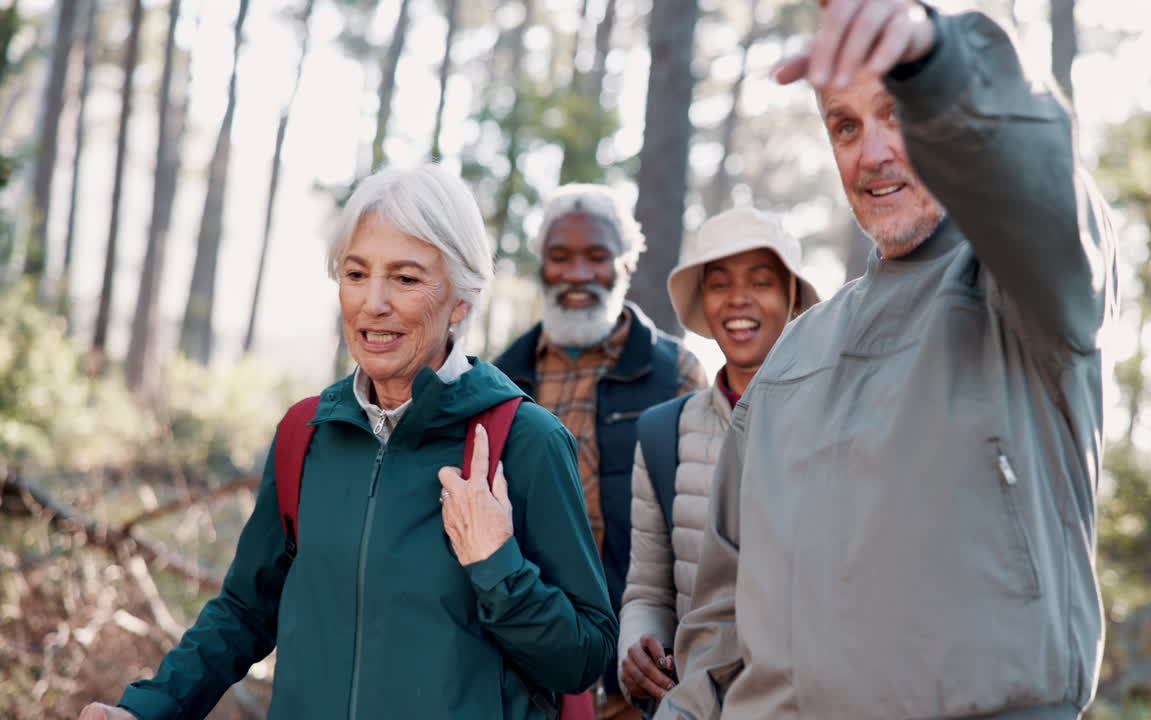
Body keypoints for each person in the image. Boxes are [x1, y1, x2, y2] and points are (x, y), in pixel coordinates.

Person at [657, 1, 1118, 719]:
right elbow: (719, 626)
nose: (871, 154)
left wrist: (936, 64)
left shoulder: (1028, 295)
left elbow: (1037, 191)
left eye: (897, 114)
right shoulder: (792, 357)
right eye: (845, 126)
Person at [79, 165, 616, 720]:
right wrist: (150, 708)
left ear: (462, 299)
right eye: (356, 274)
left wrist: (497, 565)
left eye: (405, 279)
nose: (372, 303)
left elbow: (585, 656)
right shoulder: (306, 434)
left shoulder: (525, 442)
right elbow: (244, 611)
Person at [493, 184, 708, 719]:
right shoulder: (501, 378)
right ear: (542, 265)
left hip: (635, 676)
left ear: (626, 264)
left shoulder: (674, 374)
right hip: (524, 668)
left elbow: (699, 533)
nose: (577, 274)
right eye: (560, 256)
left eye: (596, 256)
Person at [616, 207, 821, 712]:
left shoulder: (837, 424)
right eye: (720, 283)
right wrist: (637, 647)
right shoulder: (663, 433)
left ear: (793, 299)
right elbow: (648, 591)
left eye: (761, 281)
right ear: (703, 303)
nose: (738, 299)